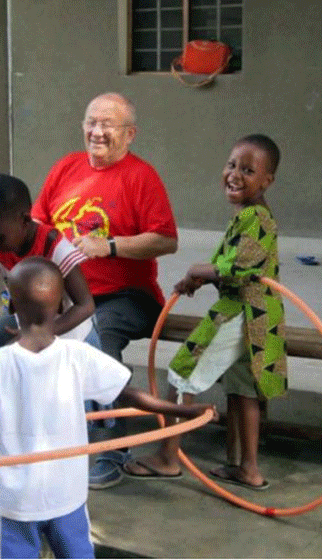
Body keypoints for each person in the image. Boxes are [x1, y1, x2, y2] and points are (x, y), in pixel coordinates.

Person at [0, 257, 216, 559]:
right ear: (61, 305)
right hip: (65, 496)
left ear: (11, 305)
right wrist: (185, 412)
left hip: (17, 501)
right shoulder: (78, 356)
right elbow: (130, 395)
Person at [31, 92, 179, 488]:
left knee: (94, 335)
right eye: (91, 122)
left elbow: (166, 239)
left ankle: (108, 444)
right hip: (67, 294)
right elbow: (37, 224)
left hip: (127, 297)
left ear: (130, 134)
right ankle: (38, 433)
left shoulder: (141, 176)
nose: (97, 132)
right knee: (11, 334)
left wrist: (110, 245)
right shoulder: (66, 167)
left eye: (107, 125)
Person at [123, 134, 286, 490]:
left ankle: (168, 458)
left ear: (266, 181)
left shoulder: (256, 217)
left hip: (241, 311)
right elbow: (227, 260)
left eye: (248, 169)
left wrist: (198, 270)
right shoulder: (247, 215)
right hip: (259, 318)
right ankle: (249, 469)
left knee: (182, 372)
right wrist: (196, 278)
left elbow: (237, 269)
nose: (234, 174)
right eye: (231, 165)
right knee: (244, 390)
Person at [0, 173, 97, 350]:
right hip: (32, 332)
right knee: (0, 334)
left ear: (25, 220)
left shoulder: (53, 245)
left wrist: (40, 334)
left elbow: (85, 306)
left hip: (73, 339)